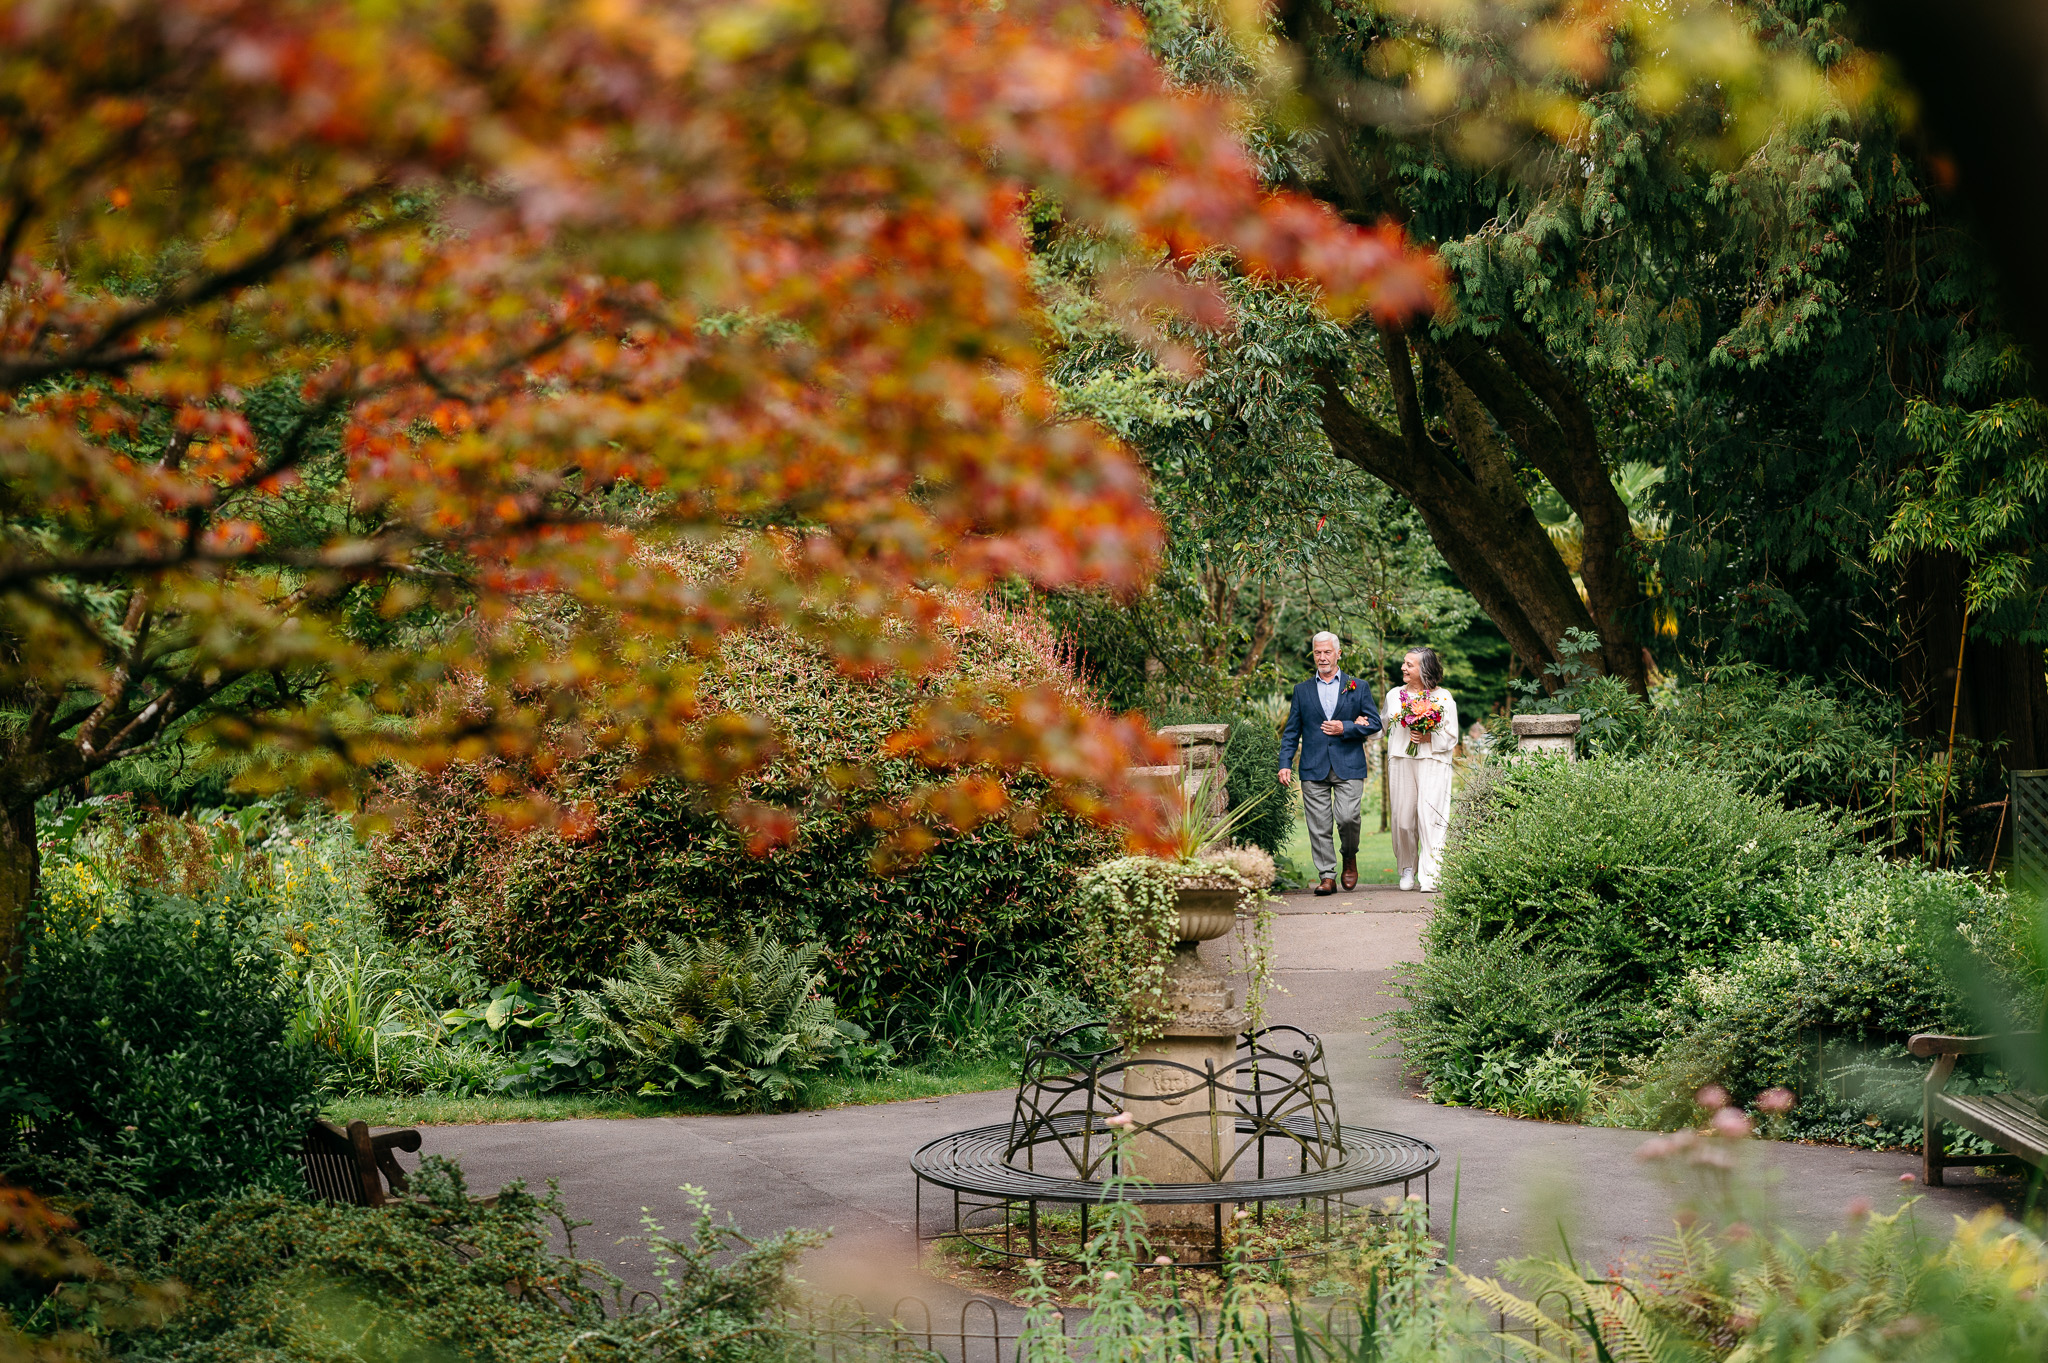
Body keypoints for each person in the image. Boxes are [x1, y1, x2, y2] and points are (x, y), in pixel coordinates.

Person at [1278, 631, 1382, 895]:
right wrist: (1285, 762)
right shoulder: (1302, 690)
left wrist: (1345, 727)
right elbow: (1292, 730)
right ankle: (1327, 876)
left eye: (1327, 652)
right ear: (1313, 654)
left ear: (1338, 653)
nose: (1322, 657)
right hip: (1313, 766)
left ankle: (1349, 856)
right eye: (1317, 652)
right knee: (1319, 825)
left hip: (1349, 764)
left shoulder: (1358, 686)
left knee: (1348, 818)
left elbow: (1374, 723)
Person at [1383, 646, 1458, 892]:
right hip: (1401, 760)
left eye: (1409, 664)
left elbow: (1452, 735)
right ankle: (1407, 867)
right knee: (1403, 820)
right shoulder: (1394, 695)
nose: (1403, 668)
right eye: (1404, 663)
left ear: (1424, 669)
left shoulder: (1443, 697)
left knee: (1431, 818)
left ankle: (1431, 873)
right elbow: (1382, 726)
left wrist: (1429, 739)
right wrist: (1358, 725)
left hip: (1433, 762)